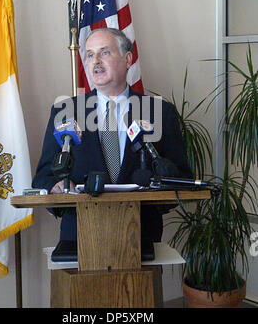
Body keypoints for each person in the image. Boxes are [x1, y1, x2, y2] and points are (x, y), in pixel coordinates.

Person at [32, 28, 192, 245]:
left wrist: (159, 181)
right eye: (90, 55)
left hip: (140, 238)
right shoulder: (66, 111)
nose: (95, 61)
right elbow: (43, 175)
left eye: (104, 53)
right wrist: (56, 185)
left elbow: (182, 177)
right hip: (80, 237)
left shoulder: (160, 112)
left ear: (128, 59)